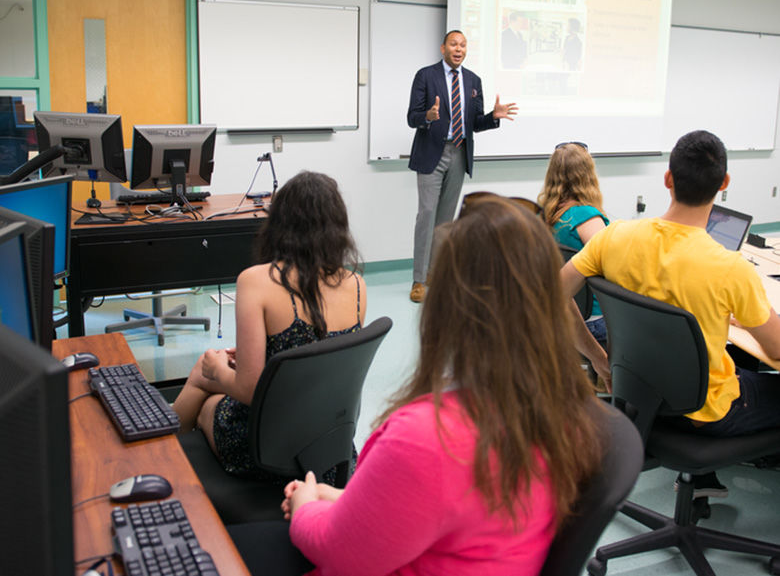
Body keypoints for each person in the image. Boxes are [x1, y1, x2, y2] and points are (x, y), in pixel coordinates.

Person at [229, 194, 605, 575]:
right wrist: (344, 499)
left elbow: (339, 553)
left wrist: (307, 505)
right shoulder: (566, 415)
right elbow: (440, 510)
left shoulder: (427, 437)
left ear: (445, 307)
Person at [563, 130, 780, 498]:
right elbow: (776, 351)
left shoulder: (612, 237)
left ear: (667, 178)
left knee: (741, 360)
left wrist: (601, 363)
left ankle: (704, 481)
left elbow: (550, 296)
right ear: (724, 183)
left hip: (638, 398)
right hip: (708, 413)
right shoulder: (730, 268)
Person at [173, 171, 366, 480]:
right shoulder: (356, 285)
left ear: (279, 223)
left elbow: (250, 390)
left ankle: (163, 463)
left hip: (264, 447)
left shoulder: (255, 281)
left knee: (202, 376)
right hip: (329, 446)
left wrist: (215, 369)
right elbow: (319, 355)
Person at [407, 29, 518, 303]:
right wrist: (428, 116)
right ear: (443, 47)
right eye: (454, 44)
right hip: (432, 152)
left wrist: (493, 116)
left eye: (463, 45)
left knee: (446, 220)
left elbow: (474, 123)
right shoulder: (425, 75)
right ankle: (419, 280)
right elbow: (412, 117)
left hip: (459, 153)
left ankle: (436, 273)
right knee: (427, 215)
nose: (459, 49)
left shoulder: (473, 80)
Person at [538, 141, 608, 343]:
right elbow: (612, 264)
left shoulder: (545, 217)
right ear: (588, 175)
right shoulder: (586, 216)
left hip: (558, 318)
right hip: (594, 323)